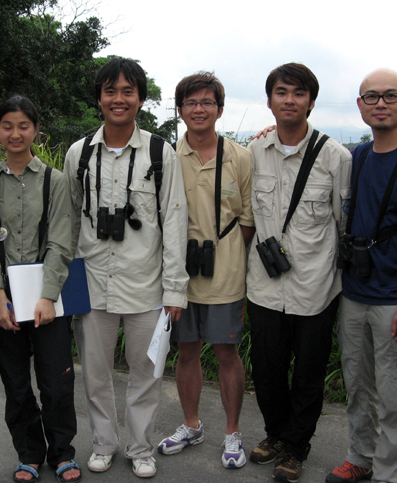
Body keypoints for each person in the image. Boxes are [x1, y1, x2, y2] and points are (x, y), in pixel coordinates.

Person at [64, 57, 189, 479]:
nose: (118, 99)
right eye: (110, 91)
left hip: (146, 285)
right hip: (92, 283)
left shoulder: (159, 152)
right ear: (99, 98)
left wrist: (175, 290)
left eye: (127, 91)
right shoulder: (79, 153)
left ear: (140, 98)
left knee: (146, 373)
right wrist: (63, 285)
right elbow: (68, 221)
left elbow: (175, 222)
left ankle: (140, 447)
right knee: (95, 374)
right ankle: (103, 443)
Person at [326, 69, 397, 483]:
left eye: (391, 95)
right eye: (371, 96)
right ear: (360, 105)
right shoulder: (356, 157)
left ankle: (395, 475)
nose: (381, 103)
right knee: (358, 386)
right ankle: (361, 456)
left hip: (396, 298)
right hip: (355, 292)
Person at [245, 63, 351, 483]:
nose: (289, 100)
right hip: (264, 286)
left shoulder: (336, 156)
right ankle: (275, 434)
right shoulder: (254, 150)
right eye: (282, 92)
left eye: (299, 93)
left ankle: (295, 447)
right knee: (266, 370)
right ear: (270, 100)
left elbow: (344, 223)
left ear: (311, 102)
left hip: (316, 287)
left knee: (308, 374)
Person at [0, 96, 81, 483]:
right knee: (16, 384)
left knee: (57, 382)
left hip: (48, 297)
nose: (15, 133)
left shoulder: (55, 181)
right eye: (7, 125)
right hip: (6, 300)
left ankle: (62, 452)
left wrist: (47, 296)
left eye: (23, 125)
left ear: (36, 130)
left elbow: (61, 241)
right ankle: (30, 454)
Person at [157, 72, 254, 469]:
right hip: (179, 275)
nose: (199, 109)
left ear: (220, 109)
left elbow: (247, 220)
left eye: (207, 102)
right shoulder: (167, 157)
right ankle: (191, 424)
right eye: (191, 103)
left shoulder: (240, 157)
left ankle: (232, 432)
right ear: (179, 110)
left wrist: (226, 253)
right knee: (186, 352)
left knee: (227, 352)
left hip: (225, 273)